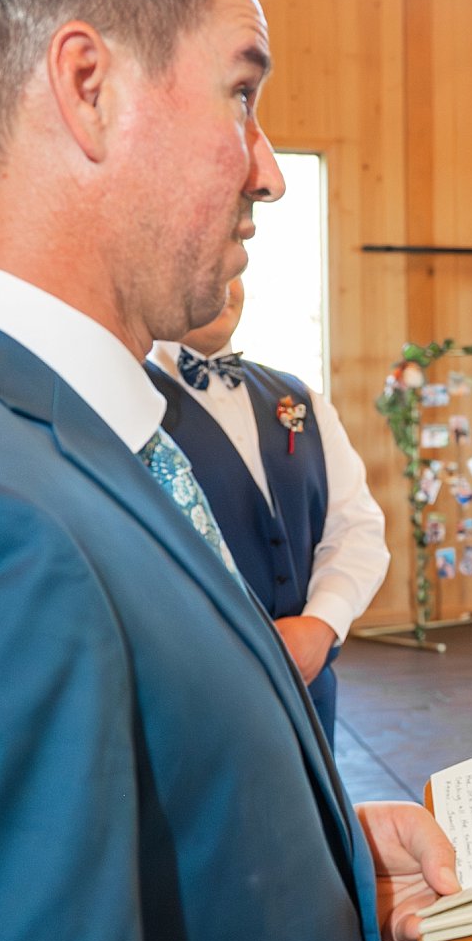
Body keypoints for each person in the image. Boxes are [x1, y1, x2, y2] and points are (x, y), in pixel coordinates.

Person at [0, 0, 458, 941]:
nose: (266, 166)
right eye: (242, 96)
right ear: (85, 87)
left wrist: (322, 865)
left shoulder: (53, 426)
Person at [146, 276, 389, 747]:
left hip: (309, 689)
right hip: (197, 701)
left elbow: (356, 525)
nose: (220, 285)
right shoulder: (125, 401)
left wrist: (322, 624)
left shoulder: (299, 398)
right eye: (205, 267)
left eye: (232, 266)